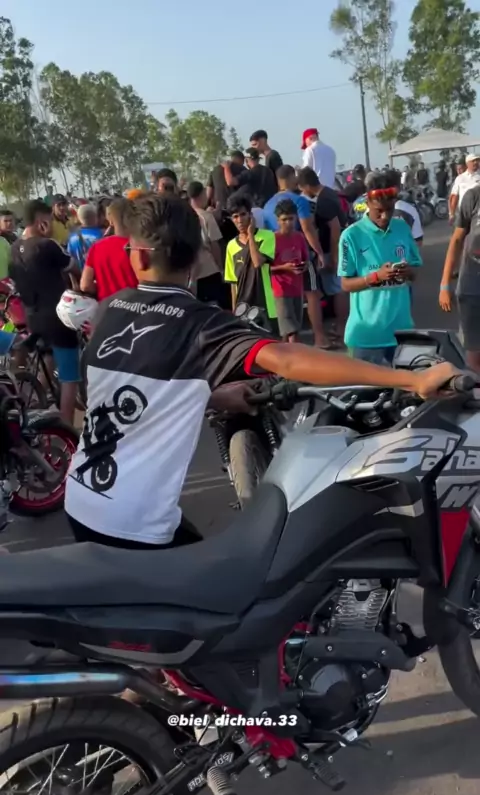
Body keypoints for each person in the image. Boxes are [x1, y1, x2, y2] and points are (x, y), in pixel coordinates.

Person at [64, 192, 459, 549]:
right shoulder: (198, 321)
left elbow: (122, 392)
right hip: (134, 525)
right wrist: (412, 379)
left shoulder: (110, 309)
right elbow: (287, 359)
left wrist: (212, 396)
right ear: (196, 258)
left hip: (81, 500)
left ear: (139, 257)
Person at [338, 170, 423, 365]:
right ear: (367, 203)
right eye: (379, 211)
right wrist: (376, 277)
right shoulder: (351, 236)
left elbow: (415, 272)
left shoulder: (402, 228)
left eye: (390, 209)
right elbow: (345, 284)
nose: (385, 216)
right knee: (366, 385)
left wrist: (408, 272)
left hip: (402, 333)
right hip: (367, 338)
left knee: (406, 384)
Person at [9, 200, 80, 424]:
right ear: (41, 221)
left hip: (32, 316)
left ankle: (35, 404)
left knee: (47, 357)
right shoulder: (47, 245)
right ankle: (68, 429)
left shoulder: (14, 248)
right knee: (70, 377)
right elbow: (74, 267)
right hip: (58, 317)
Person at [263, 164, 327, 346]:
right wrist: (319, 252)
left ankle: (286, 347)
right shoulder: (299, 201)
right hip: (298, 253)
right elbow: (307, 228)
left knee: (287, 314)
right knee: (312, 293)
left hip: (280, 258)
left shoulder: (268, 204)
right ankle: (319, 337)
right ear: (291, 178)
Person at [298, 166, 349, 344]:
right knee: (334, 288)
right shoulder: (328, 193)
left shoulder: (324, 200)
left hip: (331, 248)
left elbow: (335, 229)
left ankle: (342, 328)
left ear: (306, 186)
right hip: (333, 248)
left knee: (337, 288)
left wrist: (334, 257)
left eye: (302, 189)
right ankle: (340, 326)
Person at [439, 182, 480, 372]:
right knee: (473, 358)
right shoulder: (473, 196)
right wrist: (444, 285)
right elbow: (456, 240)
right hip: (472, 287)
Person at [224, 193, 276, 323]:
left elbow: (257, 262)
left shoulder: (267, 236)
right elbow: (233, 283)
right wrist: (235, 312)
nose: (240, 220)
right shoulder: (231, 246)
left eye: (243, 214)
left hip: (267, 305)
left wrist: (251, 235)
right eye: (235, 216)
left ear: (250, 215)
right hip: (244, 310)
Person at [80, 197, 138, 301]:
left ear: (110, 221)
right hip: (136, 305)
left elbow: (85, 285)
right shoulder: (139, 247)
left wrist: (103, 287)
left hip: (106, 307)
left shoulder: (96, 247)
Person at [270, 199, 308, 342]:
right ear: (278, 221)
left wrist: (303, 266)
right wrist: (283, 268)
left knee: (291, 331)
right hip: (281, 290)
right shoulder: (273, 239)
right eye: (284, 219)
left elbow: (305, 259)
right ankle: (295, 354)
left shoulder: (299, 237)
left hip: (297, 289)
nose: (288, 223)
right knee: (291, 331)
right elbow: (265, 268)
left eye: (291, 219)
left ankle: (285, 354)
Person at [188, 181, 230, 309]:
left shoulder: (184, 217)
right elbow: (215, 246)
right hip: (209, 271)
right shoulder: (206, 217)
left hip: (190, 275)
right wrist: (221, 269)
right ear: (202, 194)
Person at [67, 204, 104, 271]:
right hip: (98, 273)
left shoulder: (72, 237)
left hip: (81, 274)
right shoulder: (102, 235)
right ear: (94, 217)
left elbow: (70, 261)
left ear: (79, 218)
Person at [449, 153, 480, 224]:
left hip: (477, 214)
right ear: (467, 163)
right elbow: (454, 196)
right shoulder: (460, 178)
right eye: (473, 161)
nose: (476, 162)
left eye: (477, 160)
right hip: (463, 213)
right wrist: (451, 214)